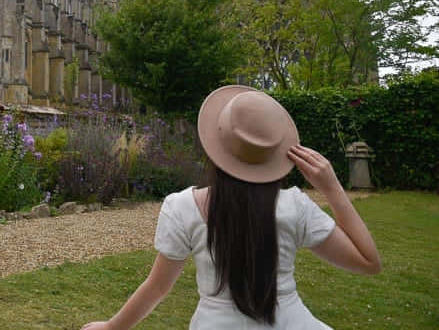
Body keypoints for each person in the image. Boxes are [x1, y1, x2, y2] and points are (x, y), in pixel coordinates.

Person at [81, 85, 381, 330]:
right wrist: (331, 187)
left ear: (216, 145)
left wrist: (111, 327)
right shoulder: (295, 208)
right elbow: (368, 262)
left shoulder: (183, 207)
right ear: (274, 152)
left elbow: (158, 287)